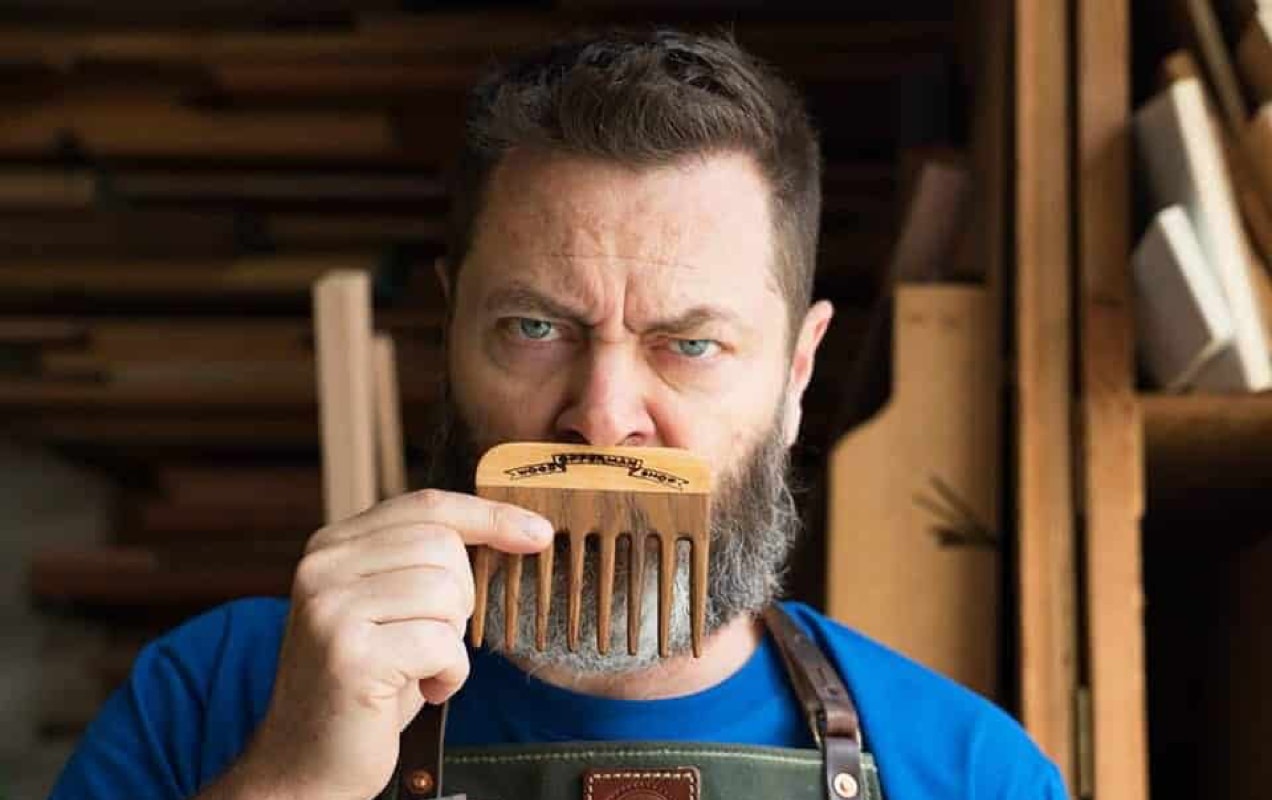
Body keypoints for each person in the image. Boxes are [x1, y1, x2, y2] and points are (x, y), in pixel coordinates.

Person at [49, 29, 1066, 800]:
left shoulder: (965, 765)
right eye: (536, 326)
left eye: (691, 343)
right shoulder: (214, 693)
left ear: (798, 374)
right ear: (451, 335)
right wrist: (294, 776)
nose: (603, 414)